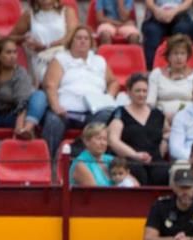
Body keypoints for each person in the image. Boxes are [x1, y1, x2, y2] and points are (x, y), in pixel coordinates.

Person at [41, 26, 120, 157]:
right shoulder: (61, 59)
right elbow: (50, 85)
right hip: (65, 111)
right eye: (78, 38)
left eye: (86, 38)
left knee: (108, 112)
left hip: (94, 111)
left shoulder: (99, 61)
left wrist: (108, 98)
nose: (82, 41)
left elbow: (113, 82)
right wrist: (56, 106)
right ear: (71, 41)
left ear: (91, 42)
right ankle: (48, 161)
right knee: (53, 121)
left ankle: (76, 150)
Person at [107, 73, 169, 186]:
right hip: (129, 159)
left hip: (155, 159)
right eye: (138, 91)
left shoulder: (157, 114)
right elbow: (113, 140)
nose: (141, 94)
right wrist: (135, 155)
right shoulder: (120, 113)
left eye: (145, 91)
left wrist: (162, 148)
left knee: (163, 173)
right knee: (137, 172)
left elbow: (166, 133)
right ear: (129, 92)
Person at [10, 0, 79, 83]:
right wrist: (25, 38)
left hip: (65, 56)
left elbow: (70, 37)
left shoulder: (67, 12)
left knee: (71, 79)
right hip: (42, 59)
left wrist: (46, 46)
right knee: (54, 80)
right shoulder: (29, 15)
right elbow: (11, 37)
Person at [147, 34, 193, 118]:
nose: (179, 57)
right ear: (168, 56)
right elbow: (150, 103)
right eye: (175, 53)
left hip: (189, 120)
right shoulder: (156, 74)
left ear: (187, 56)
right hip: (161, 121)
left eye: (182, 53)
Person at [142, 0, 193, 70]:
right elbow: (149, 2)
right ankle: (151, 70)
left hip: (180, 13)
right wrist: (156, 10)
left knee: (183, 29)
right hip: (158, 13)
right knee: (152, 31)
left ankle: (183, 68)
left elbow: (188, 2)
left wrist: (174, 12)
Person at [70, 122, 114, 186]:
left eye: (105, 139)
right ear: (86, 141)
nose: (103, 143)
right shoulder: (80, 164)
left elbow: (131, 183)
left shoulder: (111, 159)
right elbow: (95, 193)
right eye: (98, 138)